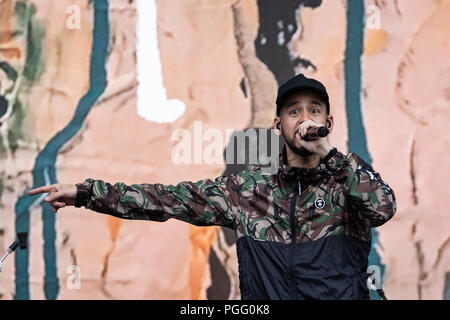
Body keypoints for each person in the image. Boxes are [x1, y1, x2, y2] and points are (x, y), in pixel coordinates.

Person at [28, 74, 397, 300]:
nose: (304, 118)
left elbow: (382, 208)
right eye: (294, 111)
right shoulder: (248, 191)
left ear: (328, 122)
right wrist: (85, 193)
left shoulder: (347, 179)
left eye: (314, 110)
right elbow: (164, 200)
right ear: (277, 124)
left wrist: (330, 155)